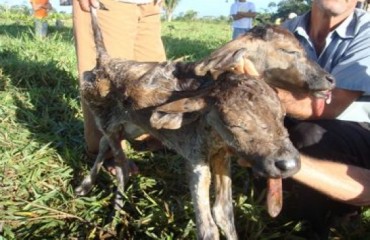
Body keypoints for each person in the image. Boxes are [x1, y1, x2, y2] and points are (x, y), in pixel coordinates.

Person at [239, 0, 370, 236]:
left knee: (309, 136)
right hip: (294, 116)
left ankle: (329, 218)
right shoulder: (285, 31)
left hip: (355, 127)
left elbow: (327, 108)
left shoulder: (367, 32)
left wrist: (257, 87)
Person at [73, 0, 166, 170]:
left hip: (148, 4)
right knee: (107, 80)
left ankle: (147, 137)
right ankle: (108, 153)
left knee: (154, 77)